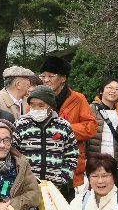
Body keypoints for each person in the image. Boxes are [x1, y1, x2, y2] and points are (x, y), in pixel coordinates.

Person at [39, 56, 97, 194]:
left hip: (70, 164)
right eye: (43, 75)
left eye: (51, 76)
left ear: (63, 78)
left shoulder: (78, 99)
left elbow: (91, 127)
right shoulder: (37, 99)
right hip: (42, 163)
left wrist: (63, 130)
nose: (46, 80)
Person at [13, 86, 79, 190]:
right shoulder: (21, 124)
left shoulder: (63, 126)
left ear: (51, 106)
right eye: (32, 105)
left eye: (41, 105)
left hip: (54, 187)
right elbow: (12, 152)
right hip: (26, 186)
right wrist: (18, 175)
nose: (36, 109)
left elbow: (72, 153)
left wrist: (64, 176)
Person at [87, 77, 118, 183]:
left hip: (115, 164)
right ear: (101, 91)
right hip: (95, 163)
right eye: (110, 87)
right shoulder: (91, 109)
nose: (113, 91)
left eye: (117, 89)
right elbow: (84, 137)